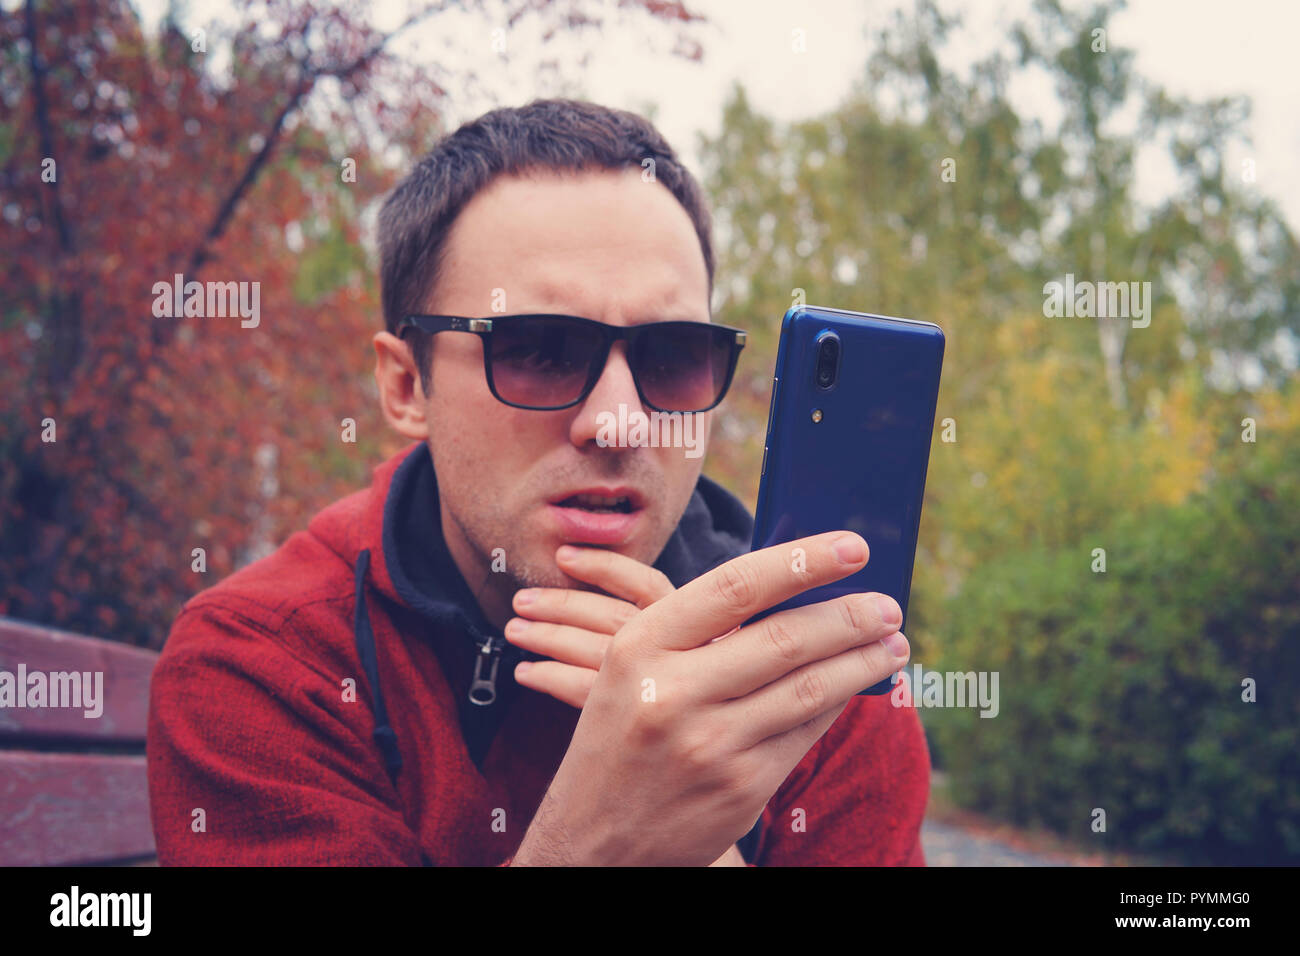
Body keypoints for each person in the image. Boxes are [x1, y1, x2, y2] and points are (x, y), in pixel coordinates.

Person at [146, 98, 930, 866]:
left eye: (671, 357)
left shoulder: (825, 678)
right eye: (540, 350)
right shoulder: (266, 664)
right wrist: (597, 847)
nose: (619, 423)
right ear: (405, 387)